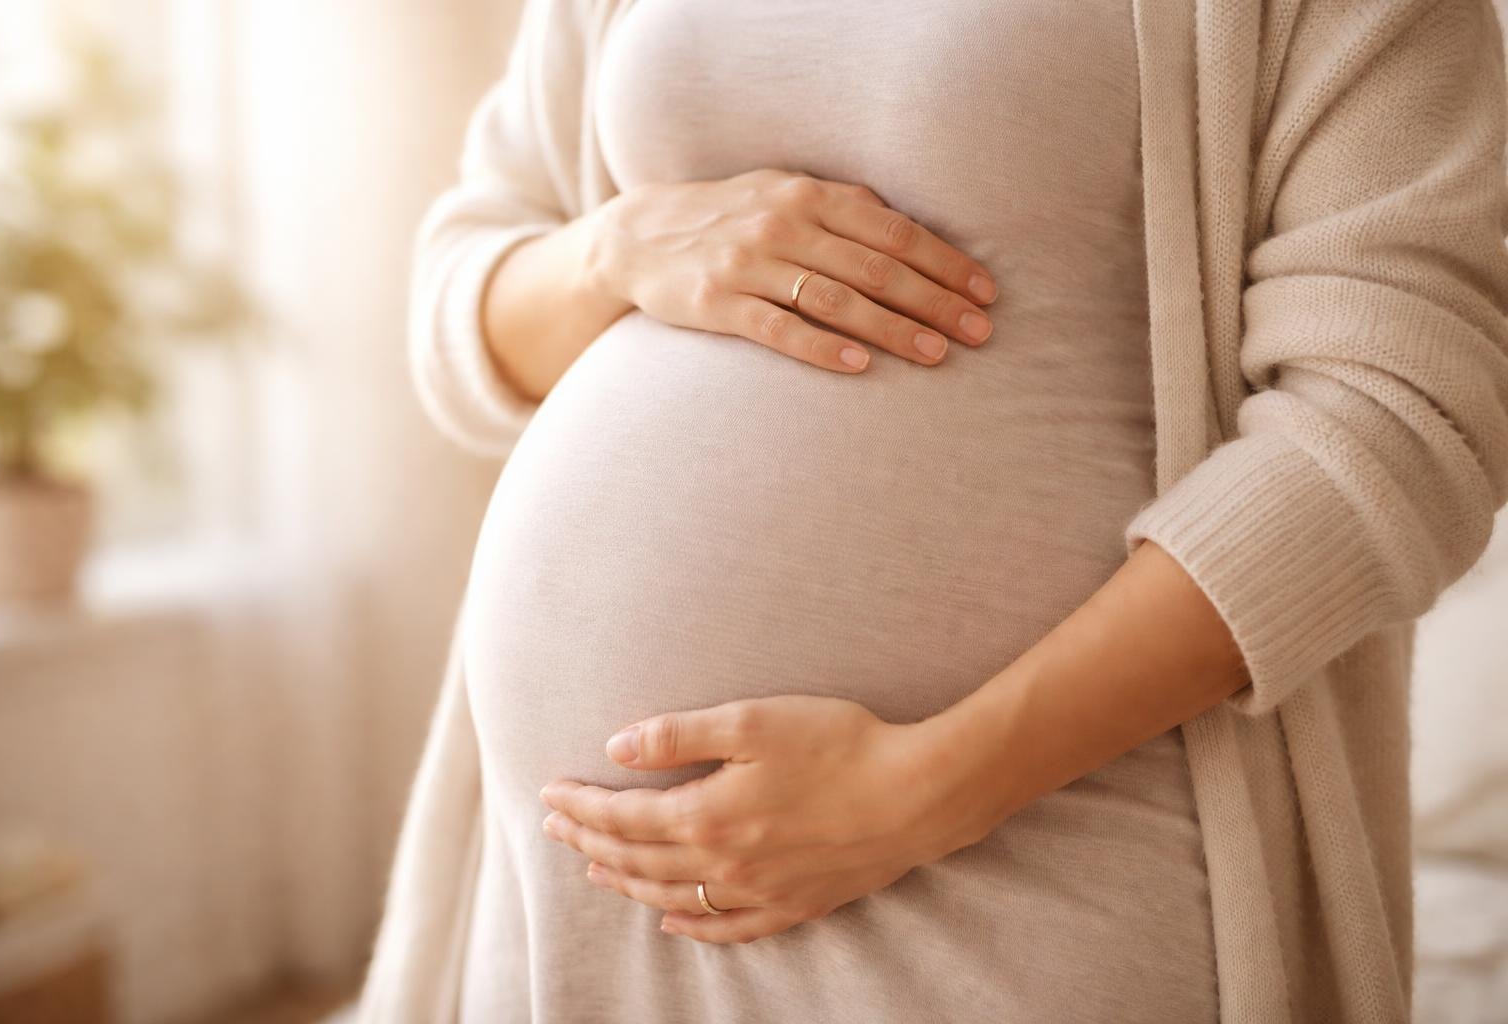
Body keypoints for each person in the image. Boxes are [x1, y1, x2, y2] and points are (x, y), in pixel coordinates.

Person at [361, 1, 1508, 1021]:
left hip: (1039, 855)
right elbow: (460, 296)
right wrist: (614, 248)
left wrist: (924, 793)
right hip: (576, 899)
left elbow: (1400, 422)